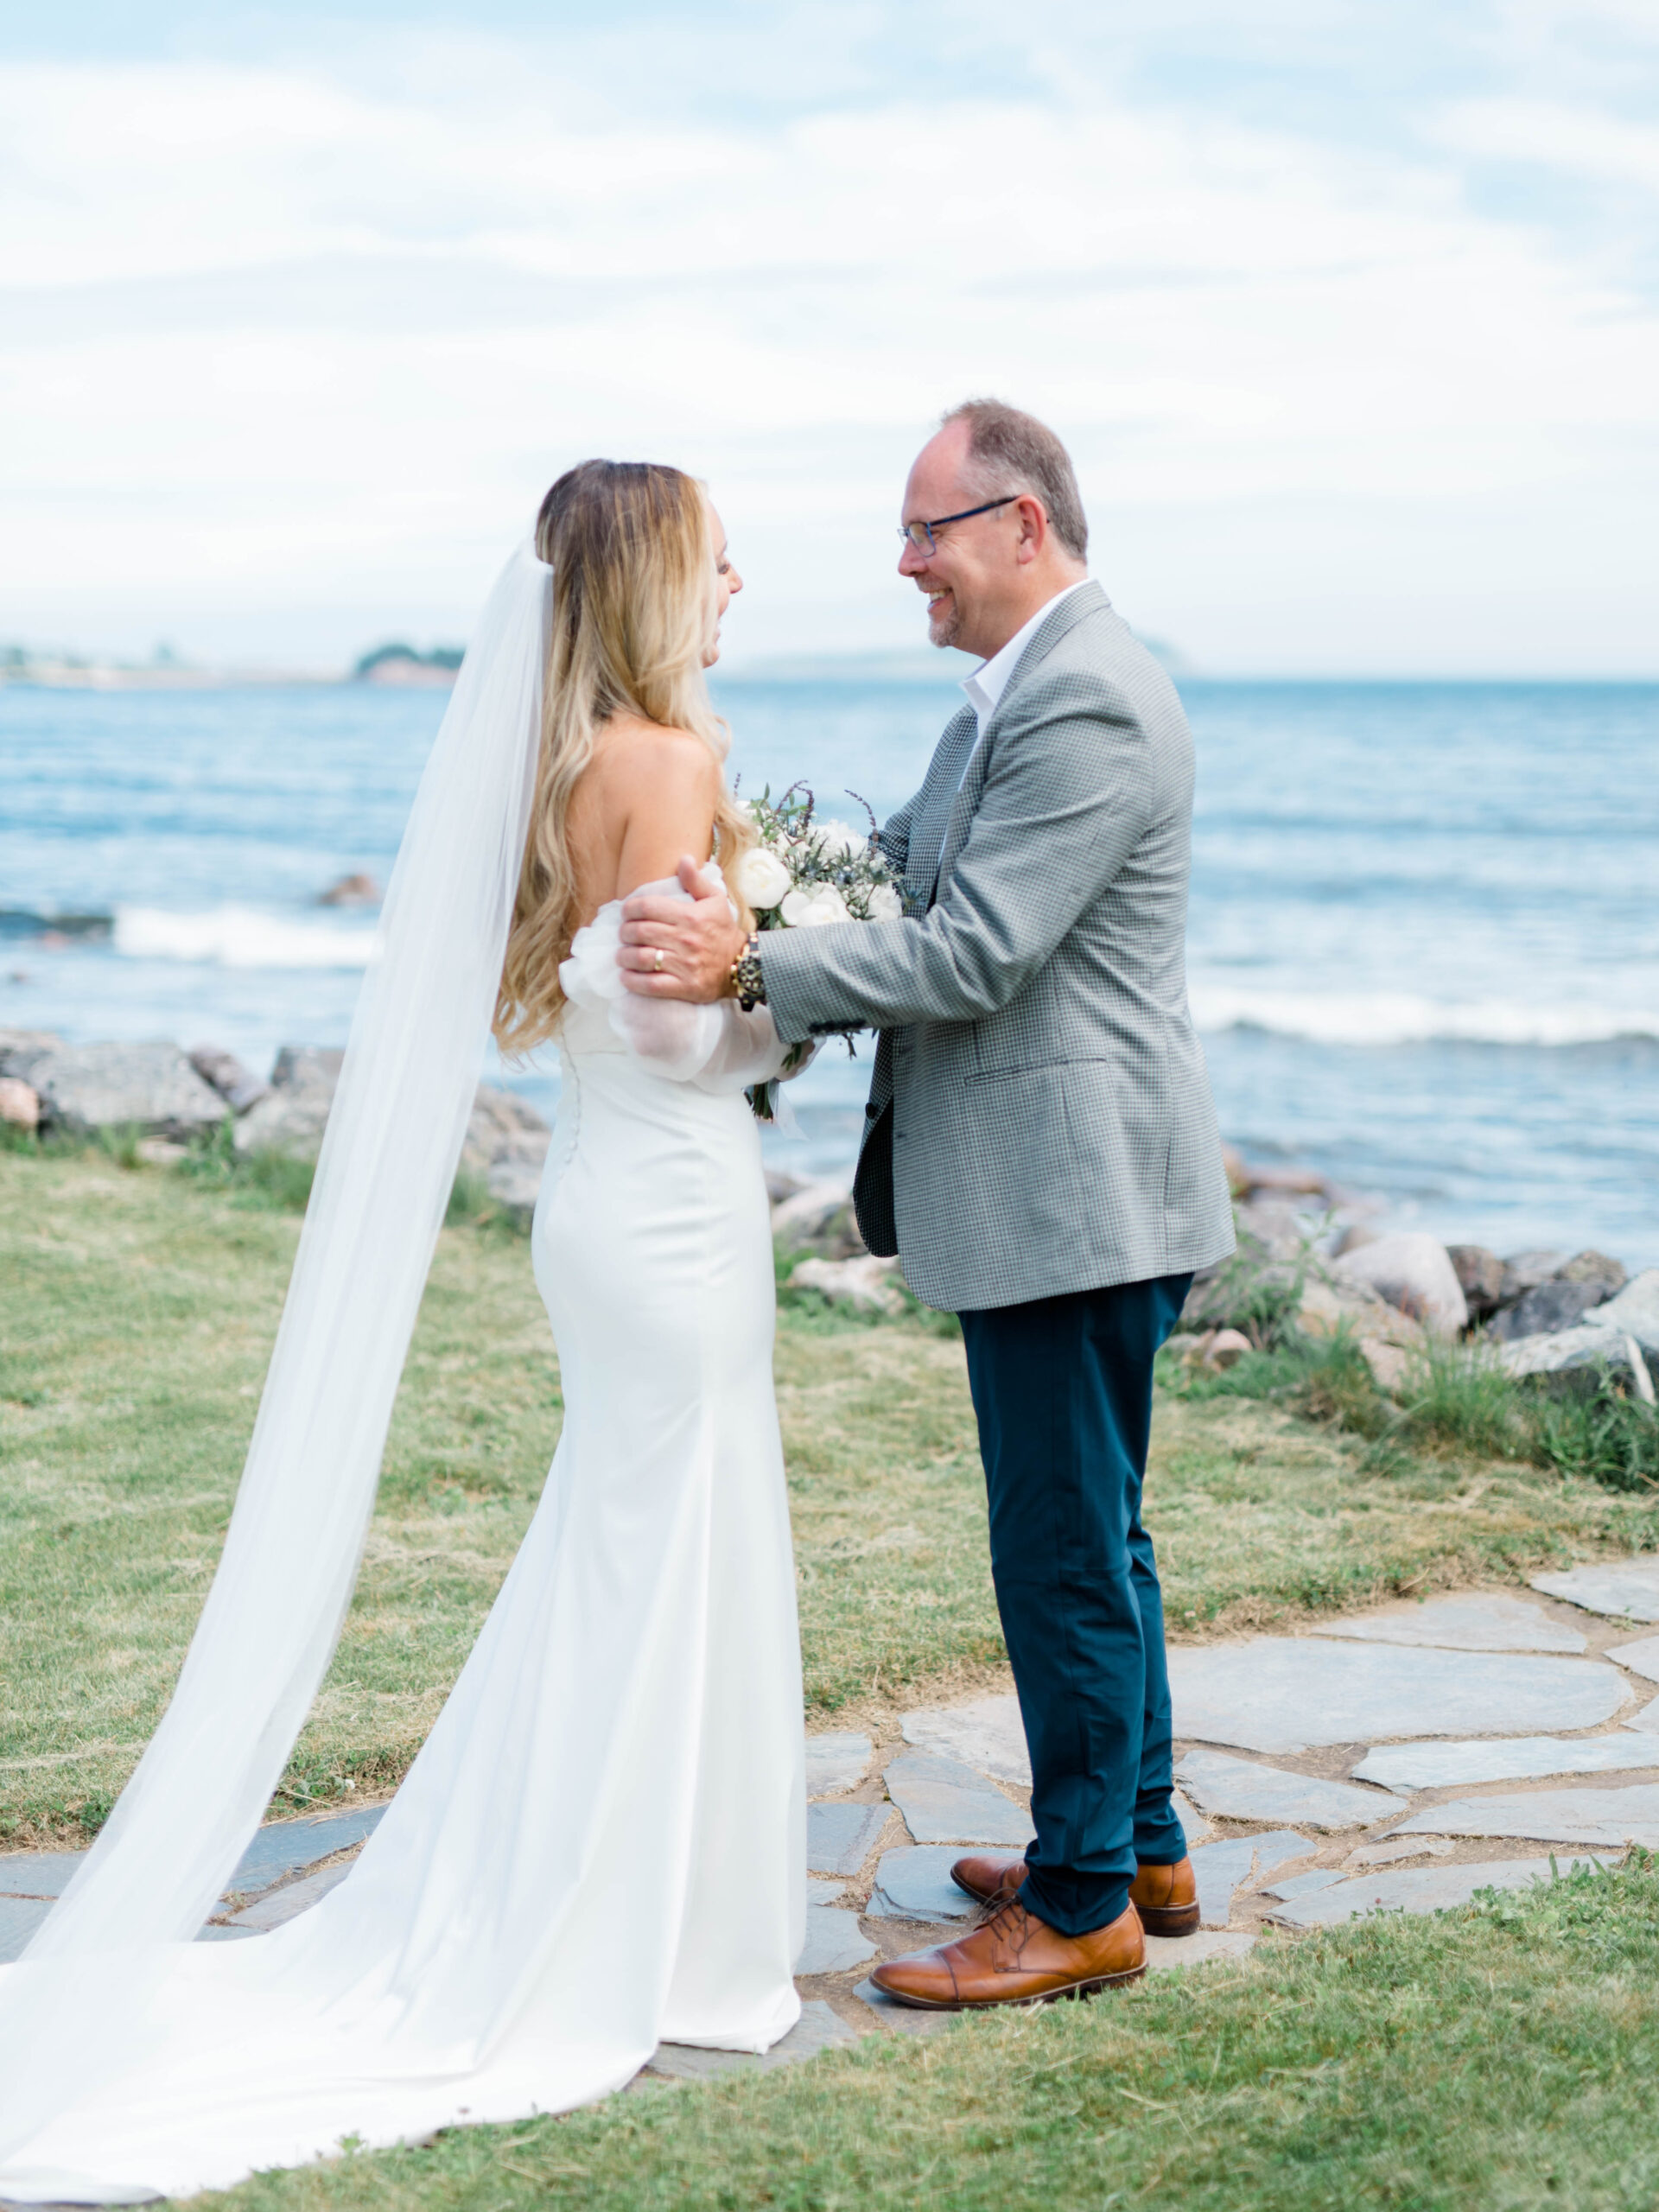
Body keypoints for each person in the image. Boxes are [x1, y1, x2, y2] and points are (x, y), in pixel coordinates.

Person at [0, 461, 810, 2199]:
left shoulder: (572, 759)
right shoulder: (672, 764)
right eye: (717, 556)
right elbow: (683, 1036)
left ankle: (612, 1901)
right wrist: (789, 983)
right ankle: (626, 1931)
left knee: (622, 1554)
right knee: (654, 1556)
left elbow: (613, 1002)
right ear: (661, 579)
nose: (741, 577)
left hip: (610, 1209)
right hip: (669, 1214)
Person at [620, 399, 1236, 2008]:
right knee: (1096, 1533)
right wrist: (754, 882)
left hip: (1076, 1195)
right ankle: (1140, 1838)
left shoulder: (1088, 701)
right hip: (1063, 1194)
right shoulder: (1006, 700)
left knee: (1062, 1552)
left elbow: (978, 952)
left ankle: (1087, 1902)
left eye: (927, 532)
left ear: (1021, 524)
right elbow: (900, 875)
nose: (907, 565)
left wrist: (748, 963)